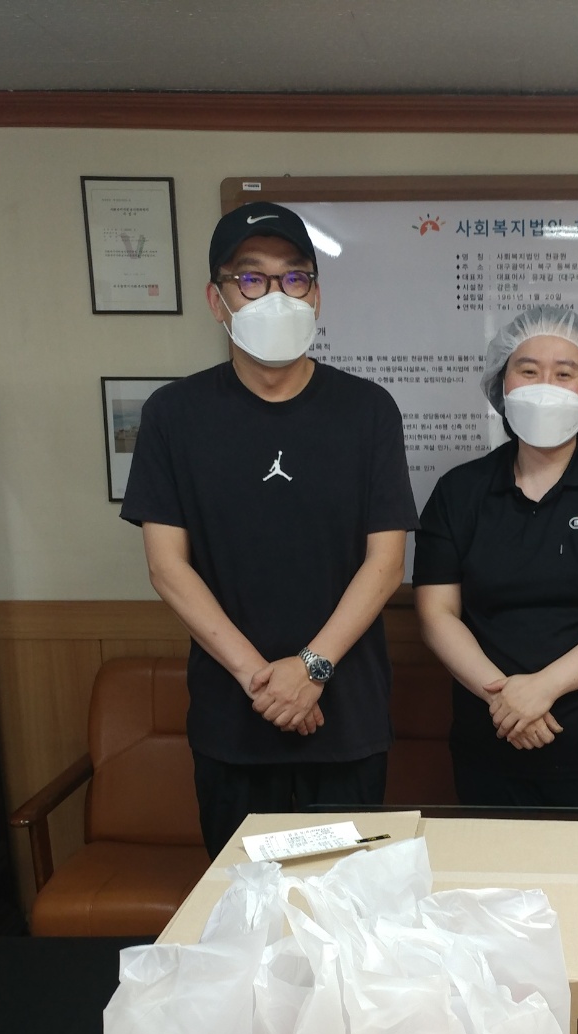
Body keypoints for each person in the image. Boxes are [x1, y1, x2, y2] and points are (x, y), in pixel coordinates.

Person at [121, 201, 418, 857]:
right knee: (242, 903)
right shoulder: (174, 414)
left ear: (317, 294)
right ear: (217, 299)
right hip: (234, 719)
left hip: (346, 716)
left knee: (347, 903)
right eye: (251, 278)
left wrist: (311, 669)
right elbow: (167, 567)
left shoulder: (368, 410)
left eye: (295, 277)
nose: (276, 294)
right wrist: (264, 680)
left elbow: (386, 564)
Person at [413, 305, 578, 809]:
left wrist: (543, 688)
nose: (546, 387)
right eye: (528, 370)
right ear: (502, 384)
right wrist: (505, 699)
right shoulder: (459, 491)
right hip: (492, 746)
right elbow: (435, 614)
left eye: (565, 373)